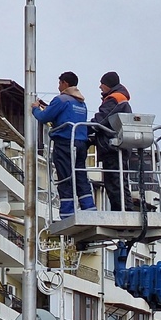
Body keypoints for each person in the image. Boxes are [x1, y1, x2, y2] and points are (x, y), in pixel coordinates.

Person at [32, 71, 95, 216]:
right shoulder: (81, 103)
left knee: (65, 176)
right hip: (80, 143)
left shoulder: (61, 100)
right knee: (80, 176)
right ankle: (89, 208)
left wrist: (35, 108)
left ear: (65, 83)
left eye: (59, 83)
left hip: (64, 143)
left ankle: (68, 213)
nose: (58, 86)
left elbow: (44, 117)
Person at [90, 71, 133, 210]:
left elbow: (101, 120)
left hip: (113, 148)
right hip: (117, 146)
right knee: (119, 182)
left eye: (102, 83)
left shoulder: (114, 99)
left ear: (108, 84)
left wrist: (83, 130)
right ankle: (125, 210)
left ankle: (123, 212)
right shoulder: (119, 98)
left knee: (115, 183)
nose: (100, 87)